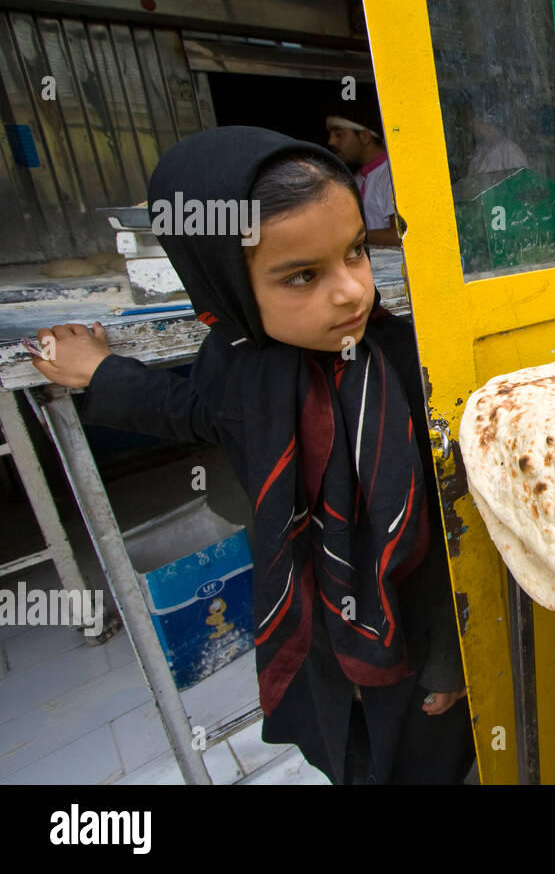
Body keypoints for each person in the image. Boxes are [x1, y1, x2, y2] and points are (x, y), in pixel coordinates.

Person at [30, 127, 475, 784]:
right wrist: (102, 372)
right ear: (222, 285)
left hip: (419, 626)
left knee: (421, 759)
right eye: (303, 275)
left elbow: (453, 520)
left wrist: (451, 656)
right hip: (318, 626)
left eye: (355, 252)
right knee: (346, 747)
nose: (352, 291)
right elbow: (195, 411)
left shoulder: (409, 362)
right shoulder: (240, 367)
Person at [326, 90, 399, 247]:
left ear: (365, 136)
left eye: (339, 135)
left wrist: (346, 236)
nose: (331, 141)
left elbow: (398, 236)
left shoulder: (391, 174)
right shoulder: (356, 179)